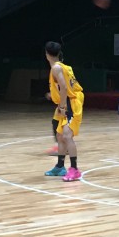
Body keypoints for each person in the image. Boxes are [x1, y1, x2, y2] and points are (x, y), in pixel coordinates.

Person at [44, 41, 85, 182]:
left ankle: (74, 170)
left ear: (47, 54)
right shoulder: (61, 66)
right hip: (68, 100)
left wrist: (62, 107)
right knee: (60, 135)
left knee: (67, 136)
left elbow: (64, 88)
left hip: (71, 102)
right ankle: (60, 166)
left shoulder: (56, 68)